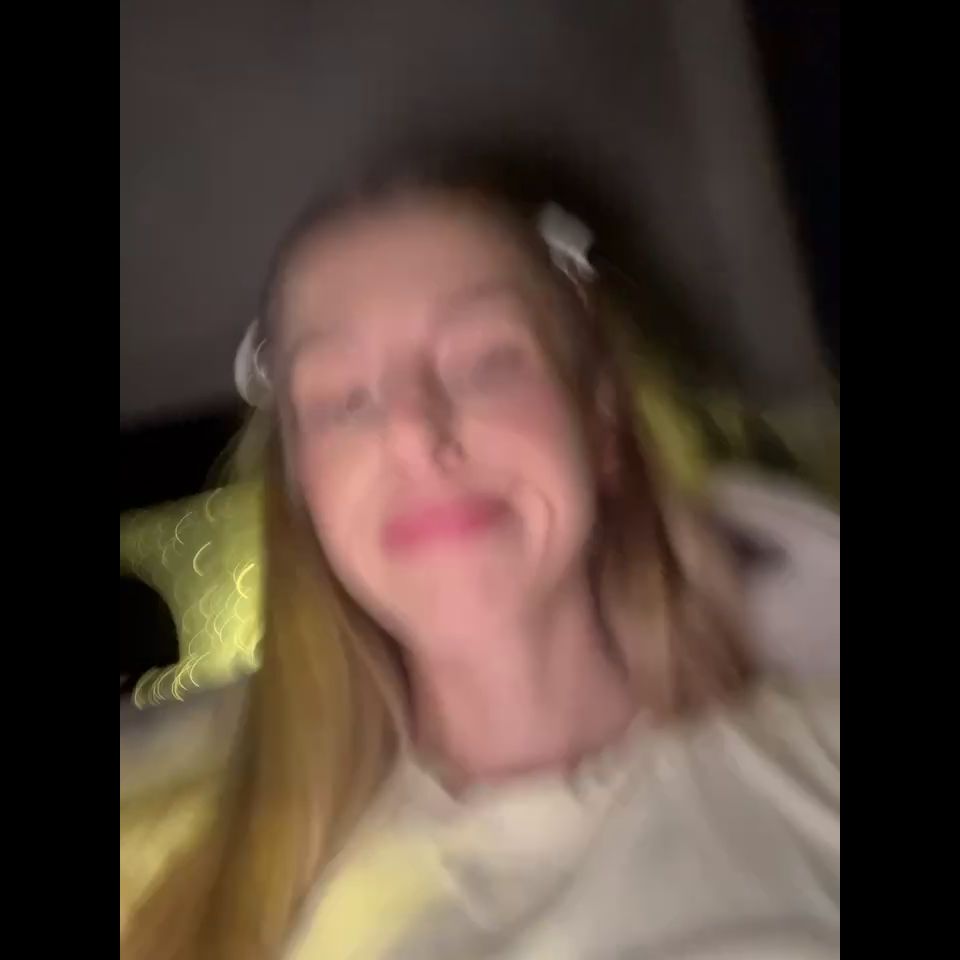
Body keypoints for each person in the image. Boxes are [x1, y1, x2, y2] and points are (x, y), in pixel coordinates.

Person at [122, 160, 839, 960]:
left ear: (602, 423)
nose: (413, 433)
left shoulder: (819, 765)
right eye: (344, 399)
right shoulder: (190, 892)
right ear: (305, 499)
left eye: (487, 363)